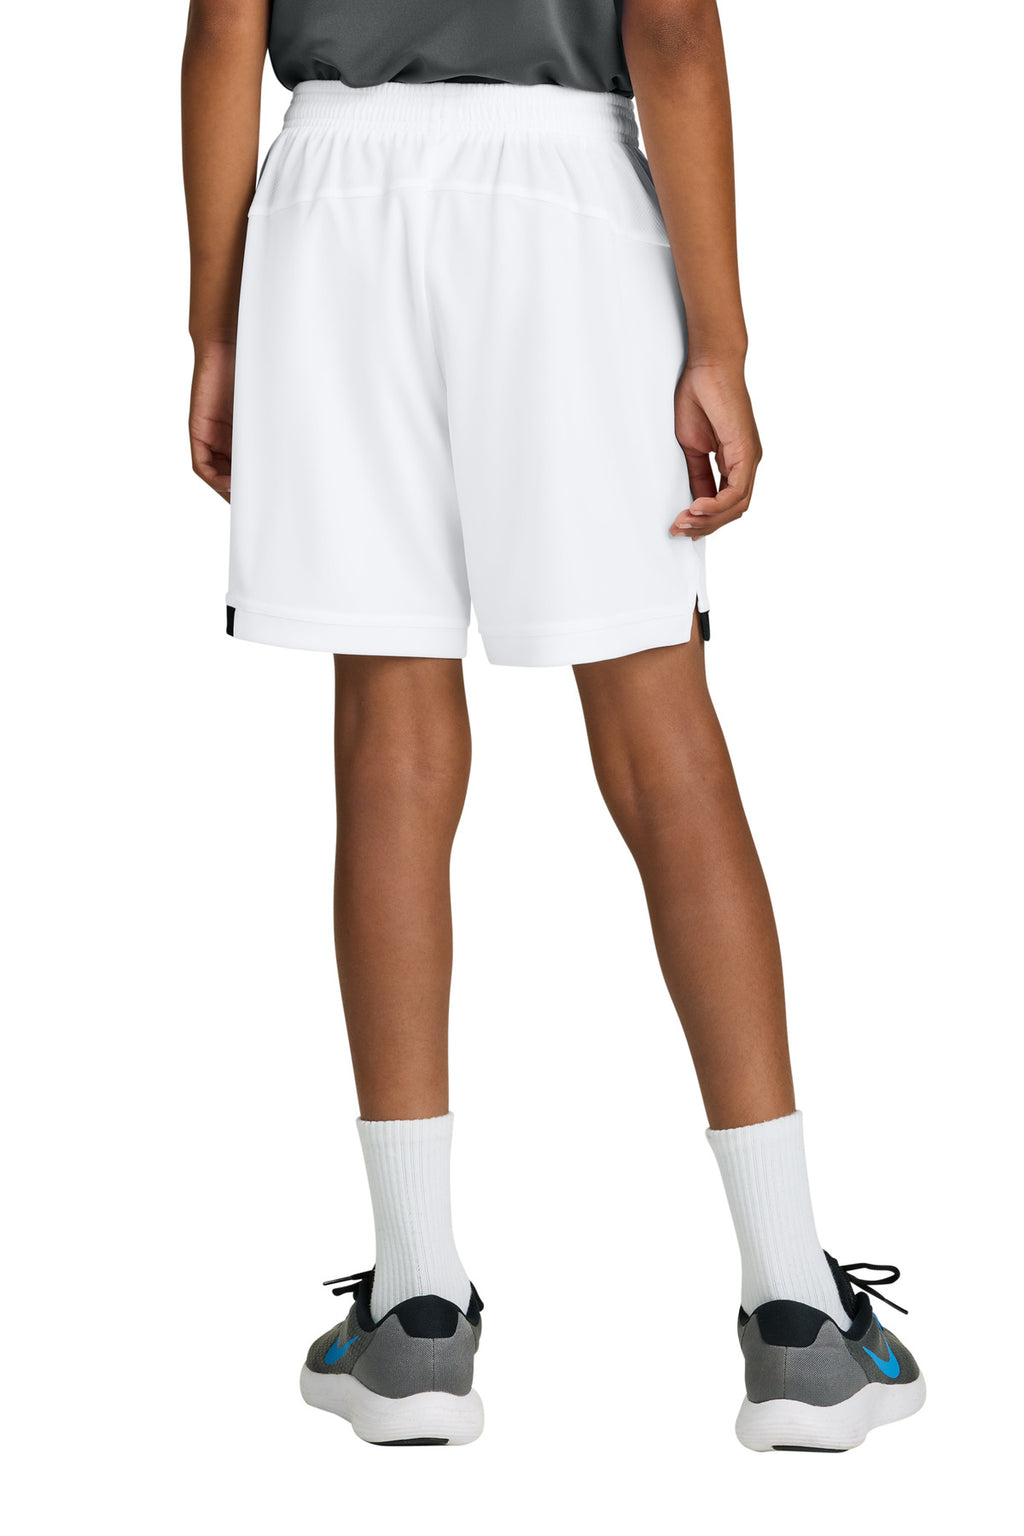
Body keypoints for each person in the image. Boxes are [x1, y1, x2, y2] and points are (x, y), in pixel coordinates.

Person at [182, 0, 925, 1452]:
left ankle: (414, 1314)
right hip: (564, 200)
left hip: (332, 203)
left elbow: (222, 32)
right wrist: (722, 339)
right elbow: (675, 34)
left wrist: (215, 321)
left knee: (389, 737)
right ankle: (796, 1314)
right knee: (661, 740)